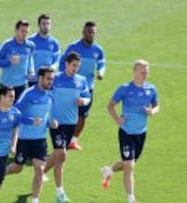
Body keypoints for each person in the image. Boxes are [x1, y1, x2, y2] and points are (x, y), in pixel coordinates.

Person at [101, 59, 159, 203]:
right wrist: (117, 119)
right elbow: (110, 105)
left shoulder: (151, 89)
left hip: (141, 133)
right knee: (129, 165)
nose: (145, 74)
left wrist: (152, 111)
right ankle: (131, 199)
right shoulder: (124, 89)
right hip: (126, 132)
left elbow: (157, 105)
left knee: (129, 163)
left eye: (147, 72)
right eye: (142, 72)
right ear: (135, 72)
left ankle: (109, 170)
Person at [5, 68, 57, 203]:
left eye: (52, 79)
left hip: (40, 139)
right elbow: (15, 113)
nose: (50, 82)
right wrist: (30, 121)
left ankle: (35, 199)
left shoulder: (50, 95)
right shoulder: (28, 93)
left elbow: (45, 118)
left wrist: (50, 124)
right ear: (40, 78)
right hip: (24, 139)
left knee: (39, 169)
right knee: (17, 168)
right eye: (48, 79)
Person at [45, 52, 91, 202]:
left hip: (71, 123)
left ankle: (41, 172)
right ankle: (60, 193)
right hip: (56, 123)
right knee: (62, 154)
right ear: (66, 64)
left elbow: (87, 97)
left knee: (57, 155)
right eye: (73, 65)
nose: (75, 69)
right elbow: (45, 94)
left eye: (78, 66)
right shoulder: (56, 79)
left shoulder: (81, 80)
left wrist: (83, 101)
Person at [58, 21, 106, 150]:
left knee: (82, 115)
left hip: (88, 87)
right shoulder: (73, 47)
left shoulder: (98, 50)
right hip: (71, 88)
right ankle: (61, 139)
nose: (91, 35)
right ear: (83, 32)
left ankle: (73, 141)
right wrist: (65, 76)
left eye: (93, 33)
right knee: (67, 114)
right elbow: (62, 63)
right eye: (89, 32)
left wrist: (100, 72)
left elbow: (102, 64)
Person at [0, 19, 35, 101]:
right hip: (7, 85)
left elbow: (30, 59)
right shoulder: (7, 45)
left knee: (21, 110)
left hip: (22, 85)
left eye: (26, 32)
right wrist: (8, 61)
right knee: (5, 109)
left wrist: (31, 71)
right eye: (22, 31)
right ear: (16, 30)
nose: (24, 34)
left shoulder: (30, 45)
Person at [28, 13, 60, 86]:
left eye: (48, 24)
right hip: (33, 80)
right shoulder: (30, 41)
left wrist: (52, 67)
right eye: (43, 23)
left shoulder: (54, 43)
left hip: (47, 80)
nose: (46, 26)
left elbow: (57, 60)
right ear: (39, 25)